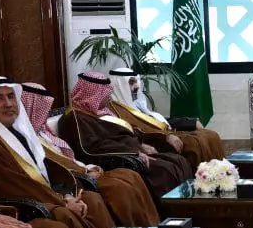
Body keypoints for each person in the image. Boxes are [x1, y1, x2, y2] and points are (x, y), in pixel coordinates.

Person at [0, 77, 104, 228]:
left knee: (91, 200)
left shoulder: (19, 132)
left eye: (11, 96)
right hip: (18, 208)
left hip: (43, 197)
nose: (8, 104)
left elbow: (44, 171)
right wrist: (61, 201)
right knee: (65, 215)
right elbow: (11, 185)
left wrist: (67, 194)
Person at [21, 83, 158, 227]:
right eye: (41, 107)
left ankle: (152, 225)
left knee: (131, 175)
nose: (45, 112)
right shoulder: (30, 139)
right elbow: (61, 164)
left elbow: (69, 157)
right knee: (119, 188)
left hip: (86, 170)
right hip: (75, 180)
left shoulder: (43, 132)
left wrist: (90, 167)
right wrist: (84, 172)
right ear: (30, 108)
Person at [59, 72, 190, 198]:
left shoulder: (101, 112)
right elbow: (90, 149)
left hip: (134, 151)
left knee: (178, 160)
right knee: (164, 171)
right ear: (93, 95)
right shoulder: (74, 118)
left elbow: (129, 131)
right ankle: (171, 209)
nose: (109, 97)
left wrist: (146, 143)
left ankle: (189, 203)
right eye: (104, 94)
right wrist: (134, 152)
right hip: (118, 159)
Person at [107, 67, 225, 166]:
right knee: (195, 144)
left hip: (167, 133)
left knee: (211, 135)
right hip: (156, 140)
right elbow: (135, 131)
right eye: (131, 82)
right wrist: (164, 136)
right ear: (119, 85)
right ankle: (203, 179)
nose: (137, 86)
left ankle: (219, 176)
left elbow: (155, 119)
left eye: (136, 81)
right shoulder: (116, 110)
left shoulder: (137, 104)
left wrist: (191, 122)